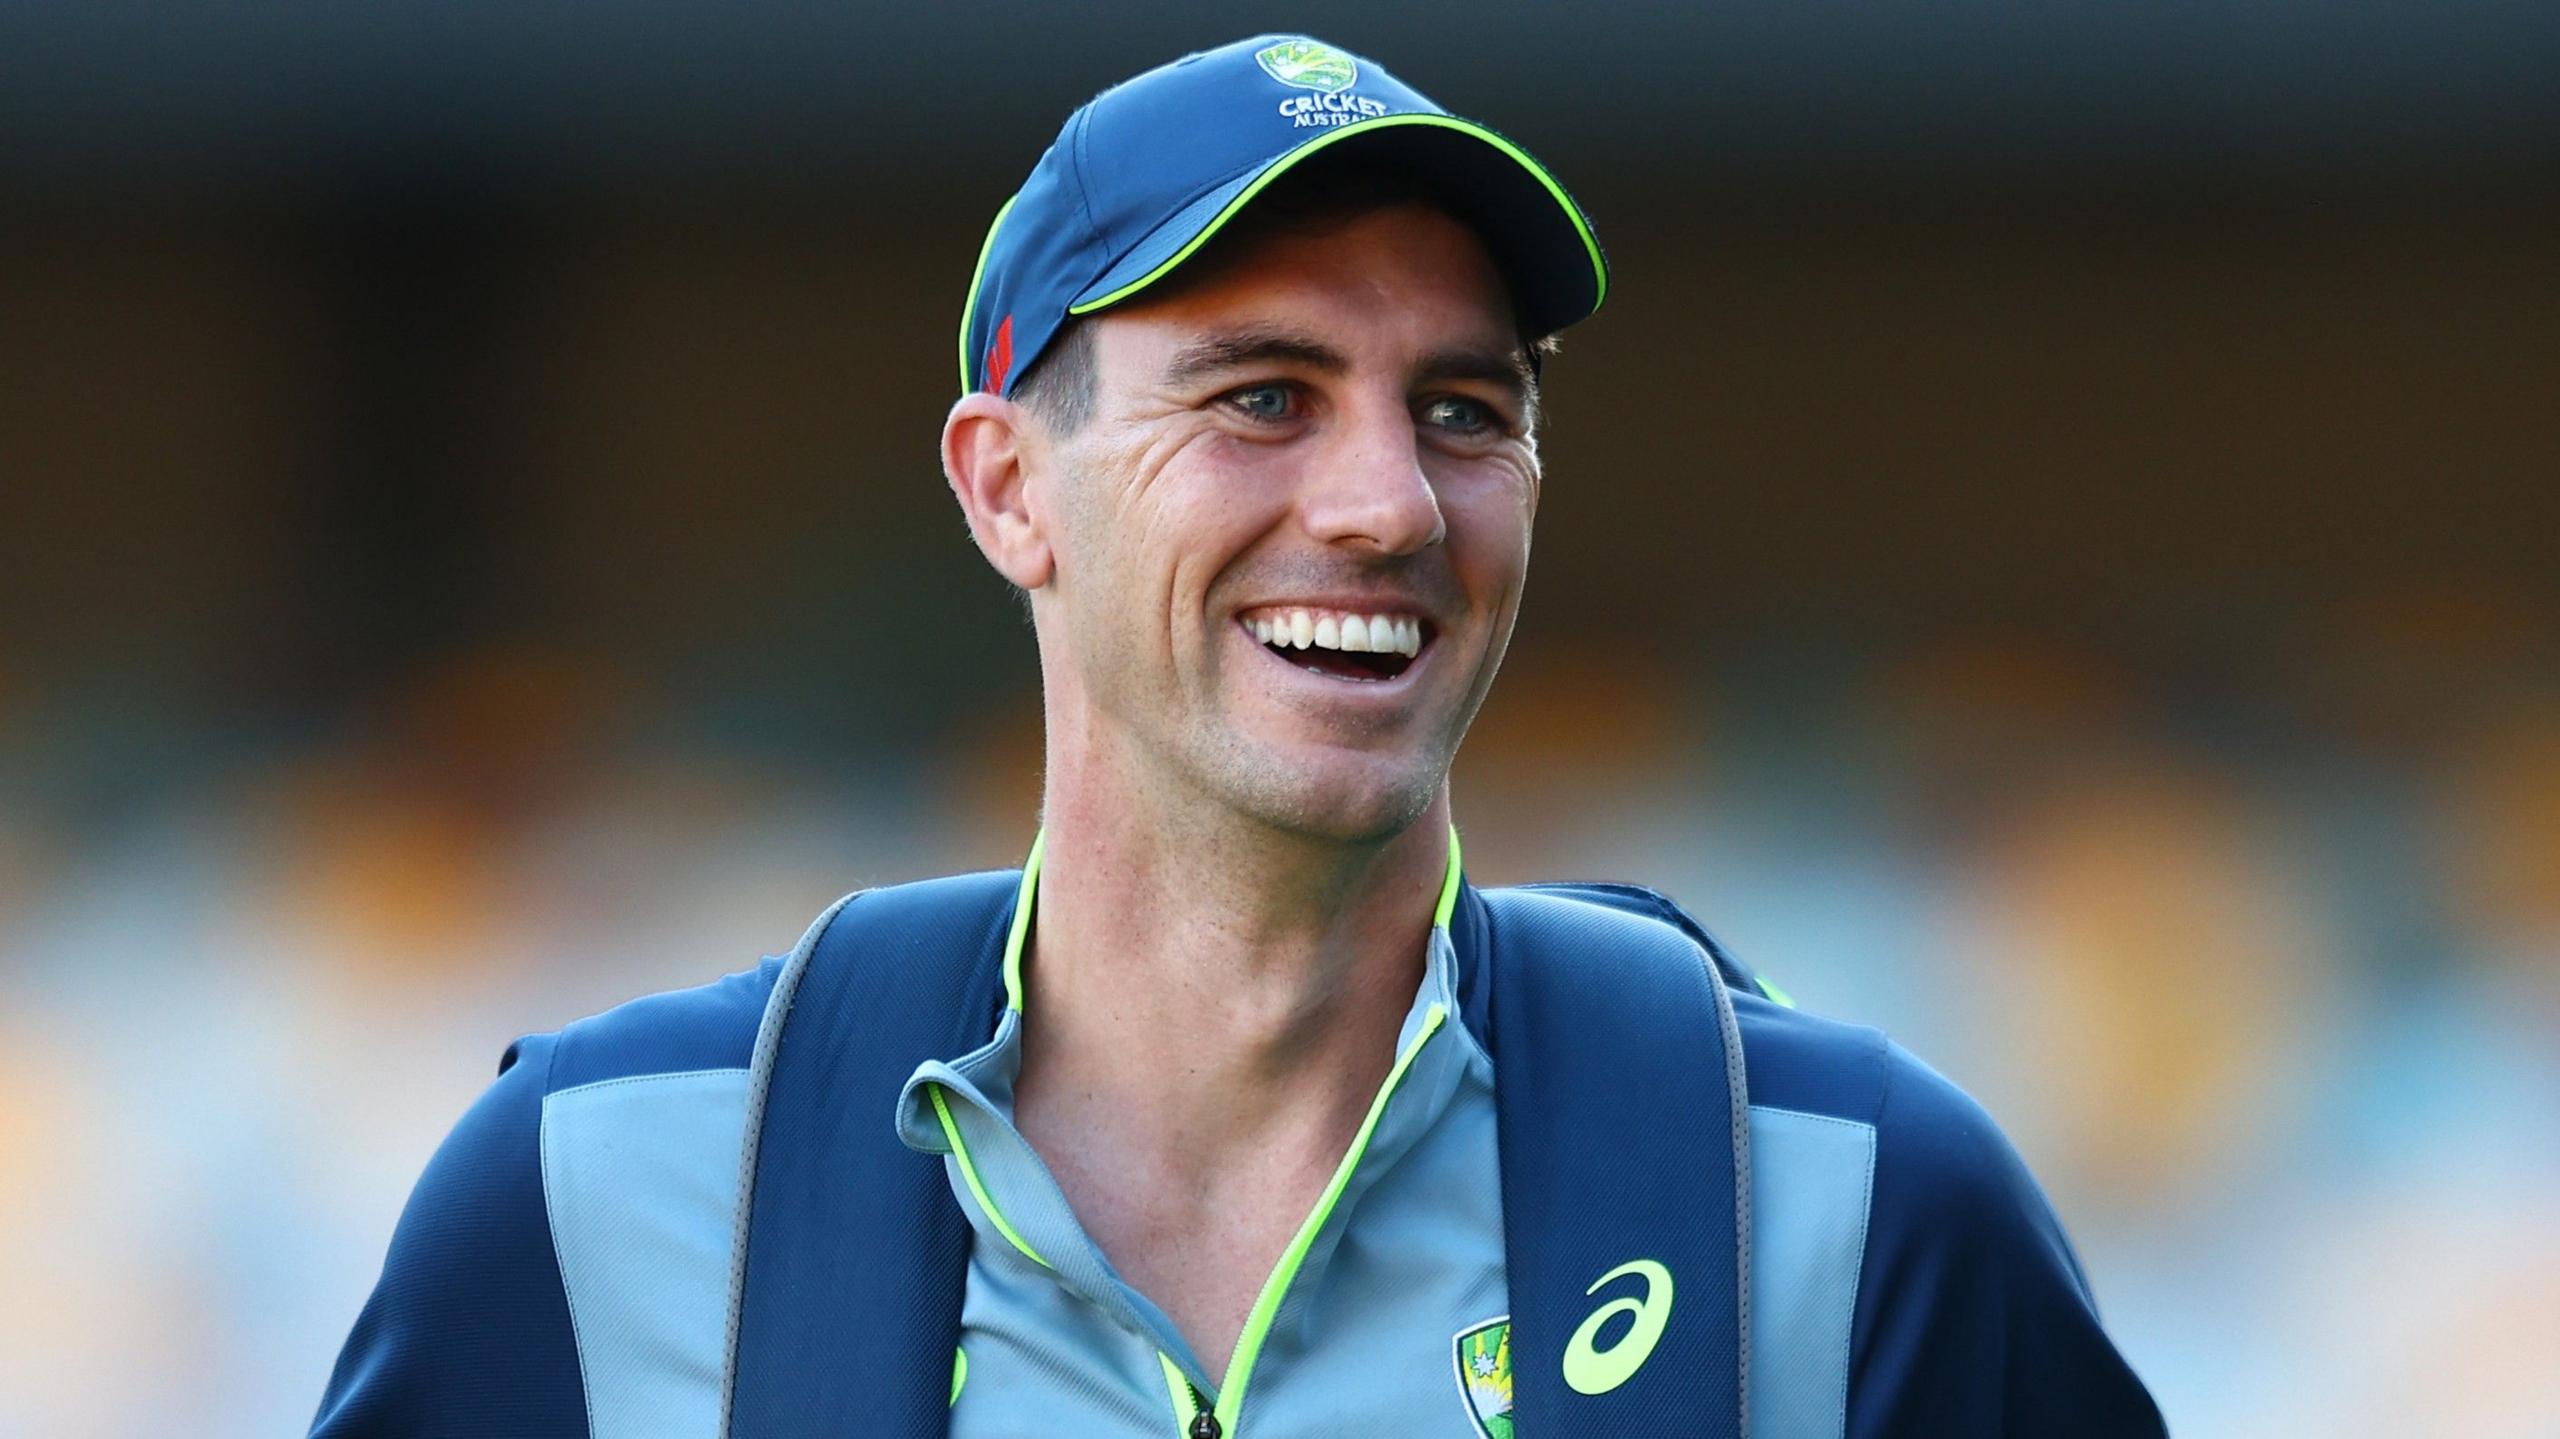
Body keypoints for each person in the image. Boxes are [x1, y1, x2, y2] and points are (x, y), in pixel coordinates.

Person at [311, 34, 2166, 1439]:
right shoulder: (607, 1188)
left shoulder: (1849, 1200)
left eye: (1462, 408)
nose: (1386, 506)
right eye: (1262, 395)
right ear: (1008, 489)